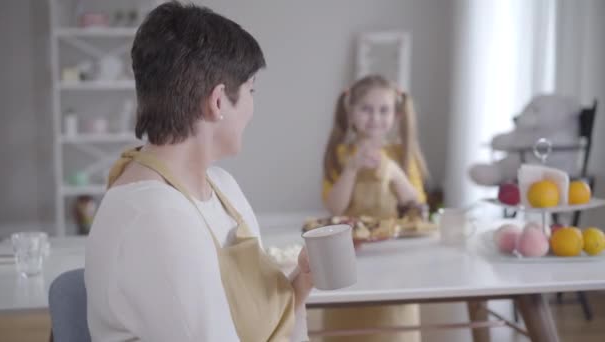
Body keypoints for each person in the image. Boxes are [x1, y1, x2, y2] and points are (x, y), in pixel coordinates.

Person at [84, 2, 312, 341]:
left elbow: (261, 323)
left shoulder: (222, 188)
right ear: (218, 101)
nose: (253, 104)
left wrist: (304, 280)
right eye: (251, 90)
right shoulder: (153, 218)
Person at [321, 74, 429, 342]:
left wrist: (393, 172)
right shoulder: (341, 154)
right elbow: (334, 206)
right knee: (347, 322)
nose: (375, 117)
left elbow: (417, 203)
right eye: (366, 109)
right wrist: (352, 169)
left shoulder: (400, 154)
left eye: (384, 110)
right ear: (351, 112)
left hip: (392, 255)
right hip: (350, 253)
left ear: (396, 115)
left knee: (392, 323)